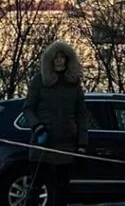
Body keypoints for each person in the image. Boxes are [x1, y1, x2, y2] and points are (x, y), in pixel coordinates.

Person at [23, 41, 88, 206]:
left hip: (66, 145)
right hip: (42, 145)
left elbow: (81, 114)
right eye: (56, 57)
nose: (59, 60)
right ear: (50, 60)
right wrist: (37, 127)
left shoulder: (74, 83)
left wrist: (82, 143)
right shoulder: (39, 80)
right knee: (35, 191)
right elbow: (28, 109)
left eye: (62, 57)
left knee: (62, 192)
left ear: (68, 59)